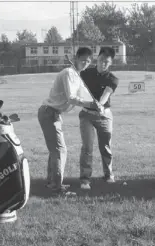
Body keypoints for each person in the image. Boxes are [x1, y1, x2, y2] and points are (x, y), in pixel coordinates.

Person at [38, 47, 98, 195]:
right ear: (76, 58)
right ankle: (56, 187)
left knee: (55, 150)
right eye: (83, 60)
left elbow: (83, 94)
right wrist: (90, 104)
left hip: (53, 113)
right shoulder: (68, 73)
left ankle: (52, 183)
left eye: (88, 61)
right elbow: (71, 98)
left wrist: (94, 103)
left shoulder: (76, 75)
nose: (85, 63)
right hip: (49, 112)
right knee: (60, 150)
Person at [78, 47, 119, 190]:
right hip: (86, 114)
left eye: (106, 62)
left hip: (104, 115)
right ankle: (85, 179)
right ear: (97, 58)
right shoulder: (85, 73)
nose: (103, 64)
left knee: (105, 146)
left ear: (111, 63)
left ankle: (108, 175)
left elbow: (106, 95)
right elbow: (76, 83)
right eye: (101, 60)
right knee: (87, 147)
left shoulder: (112, 79)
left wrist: (100, 105)